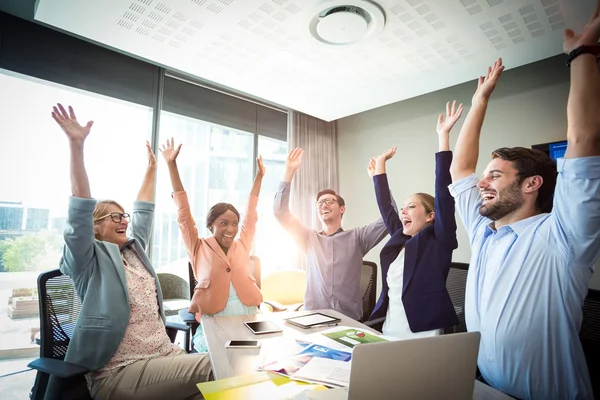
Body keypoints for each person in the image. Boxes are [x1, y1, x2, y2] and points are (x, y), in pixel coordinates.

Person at [448, 3, 600, 397]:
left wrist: (582, 54)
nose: (482, 183)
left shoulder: (562, 236)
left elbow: (584, 140)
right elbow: (460, 168)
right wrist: (481, 97)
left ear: (532, 184)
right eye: (485, 176)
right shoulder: (483, 230)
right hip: (485, 389)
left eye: (495, 175)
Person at [53, 104, 212, 400]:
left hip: (165, 358)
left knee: (213, 394)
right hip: (119, 372)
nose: (124, 220)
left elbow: (143, 213)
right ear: (95, 228)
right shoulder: (86, 260)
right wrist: (77, 146)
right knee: (219, 366)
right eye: (114, 217)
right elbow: (79, 210)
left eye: (123, 215)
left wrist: (152, 169)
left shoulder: (133, 252)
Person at [367, 101, 463, 339]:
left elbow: (443, 193)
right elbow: (387, 209)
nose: (403, 212)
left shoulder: (440, 241)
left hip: (422, 339)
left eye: (411, 206)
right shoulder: (400, 240)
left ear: (431, 216)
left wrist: (443, 137)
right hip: (388, 333)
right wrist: (379, 170)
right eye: (403, 208)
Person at [161, 138, 264, 352]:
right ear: (210, 225)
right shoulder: (198, 247)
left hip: (248, 314)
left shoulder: (242, 244)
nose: (230, 229)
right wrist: (171, 165)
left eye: (234, 223)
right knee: (220, 365)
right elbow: (183, 214)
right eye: (223, 223)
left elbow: (251, 216)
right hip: (216, 318)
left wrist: (260, 177)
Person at [273, 148, 389, 321]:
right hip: (313, 319)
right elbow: (280, 212)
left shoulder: (358, 237)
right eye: (319, 203)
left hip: (348, 321)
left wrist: (377, 178)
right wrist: (289, 171)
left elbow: (389, 217)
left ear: (342, 209)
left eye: (329, 201)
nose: (323, 205)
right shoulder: (309, 238)